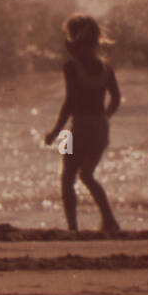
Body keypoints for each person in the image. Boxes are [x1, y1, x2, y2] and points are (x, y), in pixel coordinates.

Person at [43, 14, 121, 234]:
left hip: (78, 127)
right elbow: (116, 98)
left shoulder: (71, 67)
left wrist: (55, 131)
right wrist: (104, 117)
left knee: (67, 176)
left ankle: (73, 227)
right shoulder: (106, 69)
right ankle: (109, 220)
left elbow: (70, 102)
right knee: (87, 175)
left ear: (72, 41)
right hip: (100, 127)